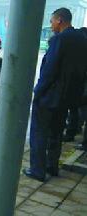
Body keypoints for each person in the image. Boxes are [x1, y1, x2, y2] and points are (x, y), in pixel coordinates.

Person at [23, 8, 87, 182]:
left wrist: (38, 92)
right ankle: (52, 166)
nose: (51, 26)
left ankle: (37, 170)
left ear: (59, 20)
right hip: (67, 98)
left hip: (49, 96)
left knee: (39, 133)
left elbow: (49, 70)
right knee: (56, 133)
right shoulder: (82, 40)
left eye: (51, 22)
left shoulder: (60, 40)